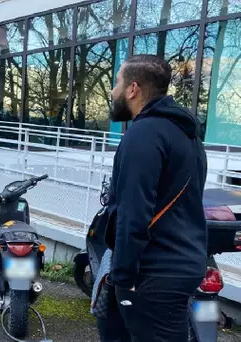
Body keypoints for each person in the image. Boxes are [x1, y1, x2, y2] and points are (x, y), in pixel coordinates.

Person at [103, 54, 208, 342]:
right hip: (183, 264)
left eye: (117, 83)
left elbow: (133, 213)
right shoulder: (188, 135)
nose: (113, 92)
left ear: (133, 89)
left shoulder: (143, 134)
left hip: (153, 273)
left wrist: (123, 277)